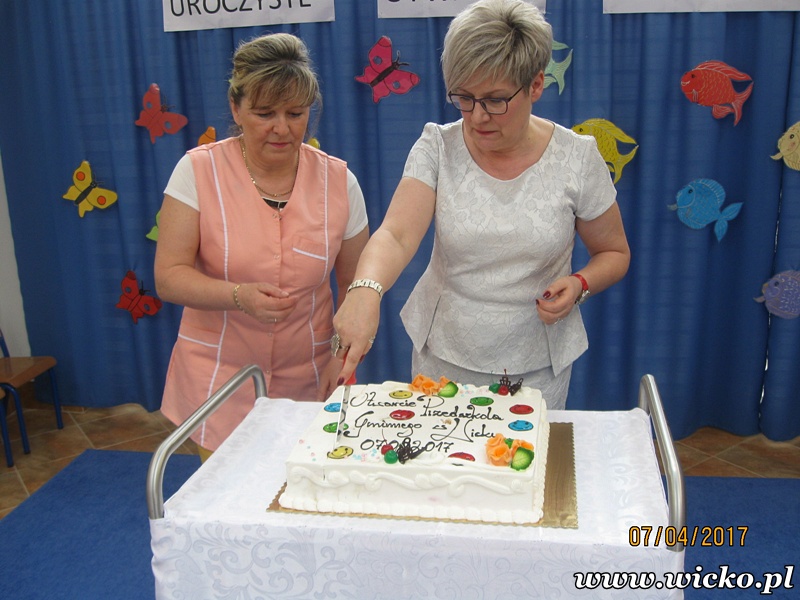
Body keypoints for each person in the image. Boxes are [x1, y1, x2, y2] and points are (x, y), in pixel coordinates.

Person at [332, 0, 629, 410]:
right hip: (444, 357)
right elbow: (397, 235)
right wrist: (365, 290)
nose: (477, 117)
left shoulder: (577, 157)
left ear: (536, 86)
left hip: (537, 364)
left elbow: (614, 253)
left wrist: (580, 284)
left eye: (495, 100)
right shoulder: (438, 146)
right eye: (465, 98)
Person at [155, 33, 369, 456]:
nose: (281, 128)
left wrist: (339, 358)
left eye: (295, 113)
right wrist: (238, 296)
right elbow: (169, 277)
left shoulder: (340, 183)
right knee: (223, 492)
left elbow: (355, 286)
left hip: (309, 379)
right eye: (264, 113)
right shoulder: (196, 172)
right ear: (236, 108)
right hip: (219, 382)